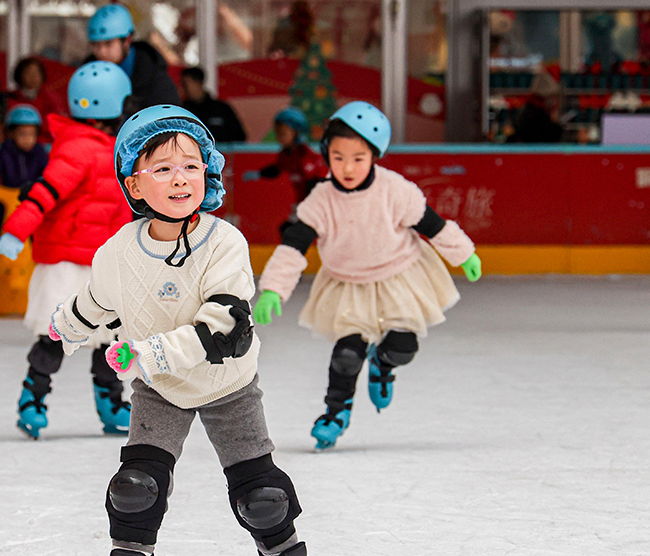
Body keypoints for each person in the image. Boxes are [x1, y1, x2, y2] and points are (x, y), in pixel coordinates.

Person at [48, 105, 341, 556]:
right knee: (136, 487)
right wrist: (62, 328)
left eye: (191, 166)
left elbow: (224, 328)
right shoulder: (118, 252)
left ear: (209, 171)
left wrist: (148, 352)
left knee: (263, 497)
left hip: (229, 384)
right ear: (133, 184)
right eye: (162, 169)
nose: (180, 179)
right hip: (161, 389)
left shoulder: (224, 243)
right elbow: (96, 302)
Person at [252, 102, 483, 450]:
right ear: (327, 155)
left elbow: (431, 224)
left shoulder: (394, 189)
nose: (347, 168)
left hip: (398, 277)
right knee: (346, 355)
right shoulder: (321, 199)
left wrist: (463, 253)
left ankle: (382, 364)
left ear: (374, 157)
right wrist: (273, 289)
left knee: (402, 349)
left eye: (358, 158)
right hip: (347, 283)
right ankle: (335, 413)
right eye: (338, 157)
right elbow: (294, 246)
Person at [0, 62, 134, 439]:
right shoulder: (78, 149)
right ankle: (33, 399)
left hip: (102, 264)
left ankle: (112, 403)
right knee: (57, 336)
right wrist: (16, 230)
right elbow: (45, 192)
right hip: (67, 263)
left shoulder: (116, 150)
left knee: (111, 340)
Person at [242, 106, 328, 236]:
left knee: (294, 233)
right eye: (277, 134)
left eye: (283, 134)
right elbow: (277, 169)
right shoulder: (286, 154)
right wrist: (258, 174)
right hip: (302, 203)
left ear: (297, 133)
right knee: (287, 230)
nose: (279, 138)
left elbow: (314, 183)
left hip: (316, 204)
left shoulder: (305, 155)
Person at [0, 104, 49, 249]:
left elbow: (49, 170)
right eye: (22, 134)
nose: (28, 139)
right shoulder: (5, 152)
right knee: (3, 236)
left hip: (33, 204)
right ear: (11, 133)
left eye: (31, 134)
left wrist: (45, 181)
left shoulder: (39, 152)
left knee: (36, 239)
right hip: (8, 206)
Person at [86, 4, 181, 110]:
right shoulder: (87, 74)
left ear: (127, 40)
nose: (101, 51)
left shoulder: (154, 76)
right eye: (95, 44)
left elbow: (170, 115)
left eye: (108, 43)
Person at [5, 56, 67, 143]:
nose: (33, 76)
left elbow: (59, 123)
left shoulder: (51, 97)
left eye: (37, 72)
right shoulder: (12, 98)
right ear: (20, 74)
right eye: (28, 72)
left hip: (48, 144)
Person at [179, 66, 246, 143]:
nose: (183, 89)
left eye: (185, 84)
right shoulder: (182, 112)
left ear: (198, 83)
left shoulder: (221, 109)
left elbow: (240, 137)